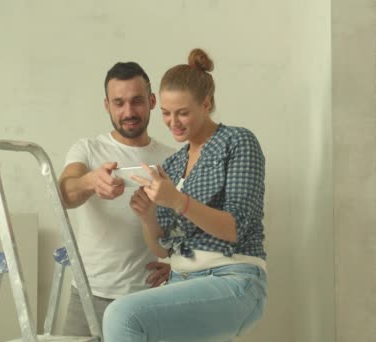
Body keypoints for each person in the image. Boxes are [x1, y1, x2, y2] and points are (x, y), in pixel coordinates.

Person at [102, 48, 268, 342]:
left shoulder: (238, 142)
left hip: (233, 279)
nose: (172, 122)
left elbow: (234, 228)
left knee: (122, 315)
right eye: (166, 113)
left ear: (206, 104)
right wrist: (148, 218)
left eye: (182, 112)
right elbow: (164, 250)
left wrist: (177, 201)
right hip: (182, 280)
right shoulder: (173, 163)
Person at [58, 61, 176, 336]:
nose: (128, 112)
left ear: (152, 101)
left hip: (148, 299)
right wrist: (90, 182)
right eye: (118, 103)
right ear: (107, 106)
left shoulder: (173, 159)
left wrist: (179, 269)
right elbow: (64, 193)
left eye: (136, 101)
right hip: (88, 295)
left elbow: (190, 229)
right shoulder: (87, 149)